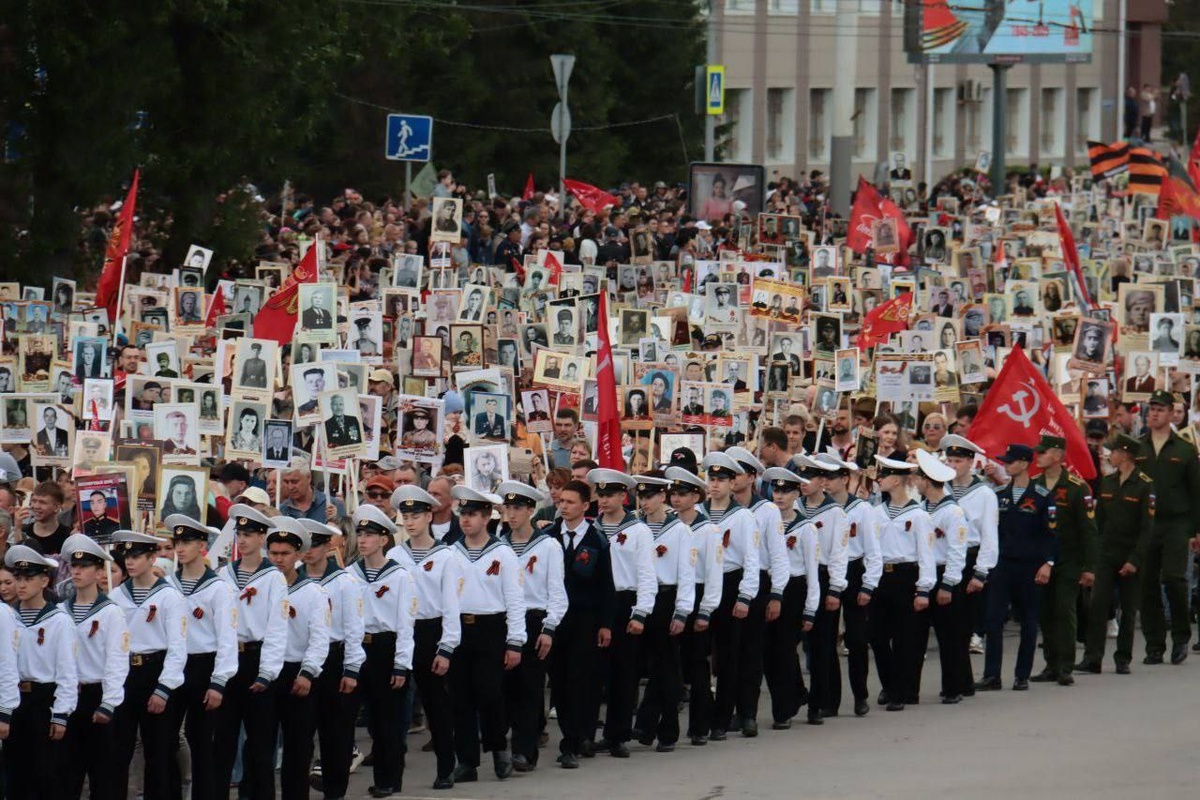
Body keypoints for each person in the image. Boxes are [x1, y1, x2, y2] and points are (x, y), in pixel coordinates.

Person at [445, 486, 524, 781]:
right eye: (463, 514)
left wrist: (515, 641)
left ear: (487, 517)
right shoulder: (450, 553)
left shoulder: (503, 553)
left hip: (491, 628)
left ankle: (498, 748)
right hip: (458, 629)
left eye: (473, 514)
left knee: (490, 694)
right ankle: (467, 761)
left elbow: (515, 599)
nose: (466, 520)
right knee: (460, 698)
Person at [214, 504, 290, 800]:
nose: (242, 540)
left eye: (249, 534)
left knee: (260, 742)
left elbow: (276, 628)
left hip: (257, 658)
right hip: (228, 658)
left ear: (262, 538)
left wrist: (267, 672)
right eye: (239, 534)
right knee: (223, 739)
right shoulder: (223, 574)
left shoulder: (273, 578)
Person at [110, 530, 188, 800]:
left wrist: (164, 688)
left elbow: (178, 646)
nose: (129, 562)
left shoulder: (169, 596)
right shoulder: (117, 596)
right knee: (119, 751)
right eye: (126, 556)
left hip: (156, 670)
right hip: (125, 673)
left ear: (152, 557)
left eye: (137, 556)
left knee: (159, 753)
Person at [164, 514, 237, 800]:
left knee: (202, 741)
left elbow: (226, 637)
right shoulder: (168, 584)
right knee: (167, 738)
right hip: (173, 663)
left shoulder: (218, 587)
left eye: (187, 541)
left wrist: (219, 681)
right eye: (177, 542)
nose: (180, 548)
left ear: (202, 545)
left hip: (204, 664)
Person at [974, 445, 1056, 692]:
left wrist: (1048, 563)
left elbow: (1051, 533)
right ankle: (992, 675)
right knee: (993, 620)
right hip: (1002, 565)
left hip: (1030, 567)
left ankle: (1022, 675)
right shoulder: (999, 495)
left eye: (1010, 462)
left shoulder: (1042, 495)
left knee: (1029, 622)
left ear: (1023, 463)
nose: (1006, 465)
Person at [544, 479, 613, 767]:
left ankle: (573, 742)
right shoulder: (549, 538)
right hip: (556, 620)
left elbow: (606, 585)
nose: (563, 506)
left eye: (570, 502)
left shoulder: (596, 539)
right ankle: (576, 734)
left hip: (585, 619)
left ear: (586, 506)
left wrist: (605, 623)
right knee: (559, 682)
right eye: (561, 501)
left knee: (581, 680)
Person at [498, 481, 566, 771]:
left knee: (529, 688)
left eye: (518, 508)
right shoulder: (498, 546)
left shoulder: (548, 545)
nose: (511, 515)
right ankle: (506, 744)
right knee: (505, 689)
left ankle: (524, 751)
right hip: (502, 621)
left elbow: (557, 592)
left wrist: (549, 628)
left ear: (530, 510)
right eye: (508, 508)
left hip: (534, 619)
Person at [351, 503, 417, 796]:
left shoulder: (400, 576)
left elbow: (406, 623)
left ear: (384, 539)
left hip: (386, 648)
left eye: (370, 534)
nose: (363, 540)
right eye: (360, 533)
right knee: (361, 721)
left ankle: (389, 779)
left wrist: (401, 664)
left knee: (387, 719)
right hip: (357, 647)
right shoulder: (350, 573)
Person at [264, 516, 330, 800]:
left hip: (296, 671)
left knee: (297, 746)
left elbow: (319, 637)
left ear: (298, 555)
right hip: (266, 670)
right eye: (274, 553)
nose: (278, 559)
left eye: (285, 553)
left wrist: (308, 672)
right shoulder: (263, 588)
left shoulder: (313, 592)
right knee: (261, 744)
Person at [1076, 434, 1153, 675]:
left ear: (1126, 453)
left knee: (1128, 609)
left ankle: (1123, 657)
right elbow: (1097, 524)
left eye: (1114, 451)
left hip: (1130, 554)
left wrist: (1135, 560)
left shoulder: (1144, 484)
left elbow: (1147, 528)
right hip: (1106, 554)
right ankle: (1093, 657)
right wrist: (1092, 558)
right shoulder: (1108, 482)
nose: (1110, 455)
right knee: (1098, 606)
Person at [627, 473, 694, 751]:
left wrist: (682, 612)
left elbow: (686, 574)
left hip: (666, 599)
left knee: (666, 669)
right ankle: (645, 724)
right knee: (646, 667)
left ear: (663, 497)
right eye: (641, 497)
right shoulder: (636, 528)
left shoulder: (679, 530)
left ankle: (668, 731)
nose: (645, 502)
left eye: (651, 496)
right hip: (641, 598)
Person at [61, 534, 128, 800]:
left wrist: (109, 702)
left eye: (85, 566)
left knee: (103, 776)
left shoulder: (110, 612)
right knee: (66, 774)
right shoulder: (62, 611)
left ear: (99, 570)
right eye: (74, 566)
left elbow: (116, 659)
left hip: (97, 693)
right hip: (68, 696)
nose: (76, 571)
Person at [4, 545, 74, 800]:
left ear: (44, 581)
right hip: (15, 699)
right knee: (15, 773)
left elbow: (67, 671)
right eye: (18, 578)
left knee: (44, 774)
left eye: (29, 578)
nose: (21, 584)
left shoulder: (59, 620)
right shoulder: (9, 617)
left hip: (43, 699)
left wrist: (61, 714)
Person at [699, 453, 760, 739]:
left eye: (721, 480)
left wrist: (746, 596)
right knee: (699, 654)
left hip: (730, 581)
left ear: (732, 482)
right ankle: (703, 714)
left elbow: (751, 558)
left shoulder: (743, 516)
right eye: (711, 479)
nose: (715, 485)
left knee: (729, 654)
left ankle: (725, 717)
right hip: (701, 584)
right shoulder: (698, 513)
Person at [868, 455, 935, 711]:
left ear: (896, 480)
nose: (879, 480)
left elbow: (925, 554)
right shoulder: (876, 513)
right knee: (877, 635)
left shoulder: (919, 515)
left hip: (907, 575)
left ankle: (899, 690)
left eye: (883, 476)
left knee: (904, 636)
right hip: (881, 576)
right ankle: (890, 682)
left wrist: (923, 589)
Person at [1138, 390, 1200, 665]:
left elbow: (1196, 493)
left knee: (1175, 579)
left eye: (1160, 409)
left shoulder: (1185, 449)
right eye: (1151, 409)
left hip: (1176, 522)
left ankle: (1180, 636)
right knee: (1147, 583)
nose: (1154, 413)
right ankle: (1154, 644)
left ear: (1171, 413)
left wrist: (1196, 530)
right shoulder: (1138, 448)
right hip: (1146, 524)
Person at [1030, 434, 1097, 686]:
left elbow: (1089, 530)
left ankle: (1065, 665)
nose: (1039, 456)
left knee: (1064, 609)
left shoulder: (1077, 488)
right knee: (1046, 612)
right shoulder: (1034, 484)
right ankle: (1051, 663)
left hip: (1068, 558)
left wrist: (1090, 567)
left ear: (1057, 455)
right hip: (1040, 560)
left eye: (1043, 452)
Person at [820, 453, 881, 717]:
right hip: (828, 571)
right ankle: (830, 698)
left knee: (856, 639)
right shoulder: (819, 507)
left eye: (831, 477)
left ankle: (860, 694)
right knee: (827, 638)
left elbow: (873, 551)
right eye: (822, 477)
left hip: (854, 569)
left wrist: (868, 585)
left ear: (845, 478)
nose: (826, 482)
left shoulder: (862, 509)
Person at [790, 455, 848, 722]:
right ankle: (799, 692)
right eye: (800, 478)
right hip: (800, 577)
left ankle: (823, 700)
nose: (804, 483)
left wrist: (835, 588)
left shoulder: (835, 512)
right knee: (793, 642)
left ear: (823, 481)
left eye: (810, 478)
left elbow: (838, 552)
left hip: (824, 576)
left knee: (822, 645)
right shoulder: (795, 507)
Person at [760, 467, 818, 729]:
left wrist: (810, 609)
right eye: (776, 490)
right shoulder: (765, 521)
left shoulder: (805, 527)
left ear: (797, 493)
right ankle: (795, 691)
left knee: (784, 648)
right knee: (768, 650)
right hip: (769, 584)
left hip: (794, 588)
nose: (779, 496)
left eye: (786, 491)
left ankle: (783, 709)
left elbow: (812, 571)